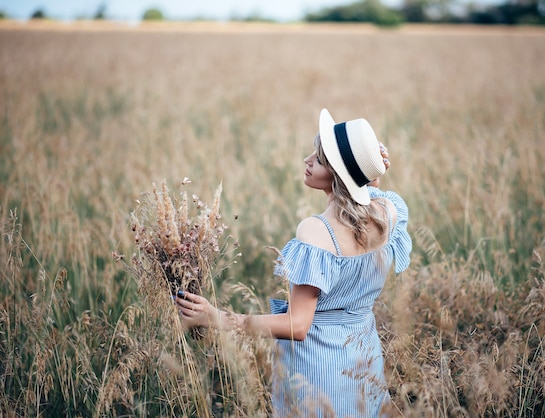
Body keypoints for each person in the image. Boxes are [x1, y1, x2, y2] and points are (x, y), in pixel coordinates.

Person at [175, 108, 412, 417]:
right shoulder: (388, 213)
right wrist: (367, 168)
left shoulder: (316, 231)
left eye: (321, 159)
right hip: (364, 362)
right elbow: (368, 194)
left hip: (318, 372)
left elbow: (298, 326)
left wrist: (217, 317)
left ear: (339, 176)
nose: (307, 160)